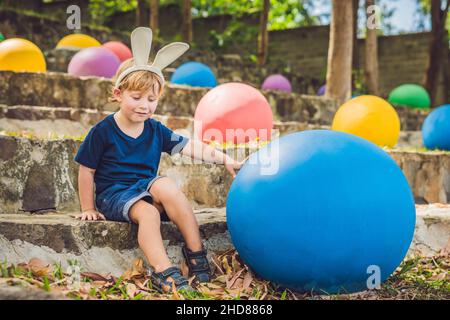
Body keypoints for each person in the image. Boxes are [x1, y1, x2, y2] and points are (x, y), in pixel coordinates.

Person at [74, 27, 245, 293]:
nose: (145, 105)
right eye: (137, 97)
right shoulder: (103, 131)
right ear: (118, 94)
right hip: (115, 195)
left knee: (166, 186)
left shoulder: (155, 129)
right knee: (149, 213)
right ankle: (164, 271)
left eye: (152, 99)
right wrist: (88, 207)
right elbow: (87, 170)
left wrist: (224, 158)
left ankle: (196, 254)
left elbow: (190, 147)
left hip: (145, 186)